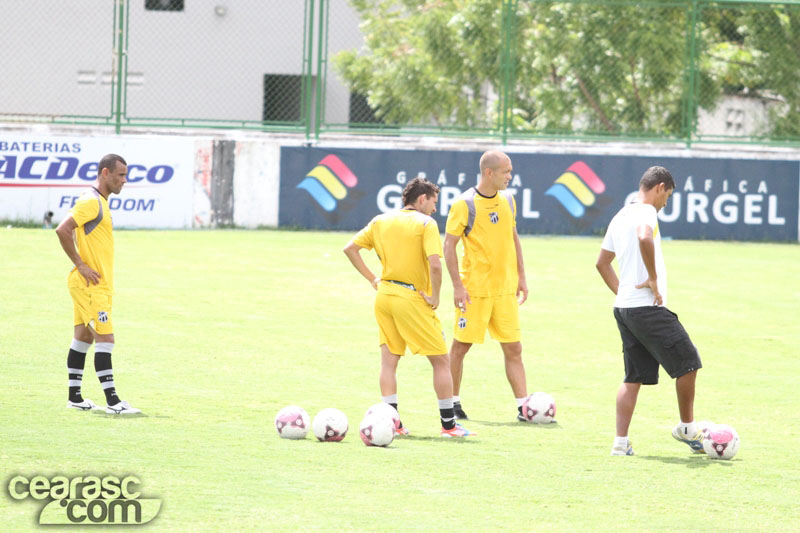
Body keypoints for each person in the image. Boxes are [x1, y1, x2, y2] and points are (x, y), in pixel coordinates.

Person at [343, 177, 474, 437]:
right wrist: (435, 296)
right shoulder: (425, 223)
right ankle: (449, 426)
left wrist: (373, 279)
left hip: (384, 296)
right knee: (441, 361)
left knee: (388, 362)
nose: (435, 209)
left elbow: (350, 249)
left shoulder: (380, 220)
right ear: (422, 199)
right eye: (434, 203)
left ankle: (393, 423)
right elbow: (435, 264)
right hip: (411, 298)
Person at [596, 166, 703, 456]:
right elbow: (644, 237)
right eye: (667, 196)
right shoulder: (646, 212)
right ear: (659, 187)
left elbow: (602, 263)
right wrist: (653, 278)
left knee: (633, 377)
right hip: (646, 309)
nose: (665, 203)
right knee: (689, 363)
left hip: (625, 310)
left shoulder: (620, 215)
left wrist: (623, 292)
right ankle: (687, 428)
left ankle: (620, 444)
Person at [444, 150, 531, 422]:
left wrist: (521, 276)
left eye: (511, 171)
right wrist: (457, 286)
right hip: (475, 291)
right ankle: (452, 404)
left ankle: (524, 408)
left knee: (514, 348)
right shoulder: (465, 204)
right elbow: (448, 246)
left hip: (505, 290)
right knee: (461, 347)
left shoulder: (508, 200)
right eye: (506, 171)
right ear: (489, 173)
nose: (510, 176)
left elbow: (513, 237)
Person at [55, 153, 141, 415]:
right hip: (91, 286)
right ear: (106, 173)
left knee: (83, 337)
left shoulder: (99, 201)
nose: (124, 180)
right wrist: (81, 264)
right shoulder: (91, 201)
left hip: (91, 285)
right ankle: (113, 402)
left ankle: (75, 398)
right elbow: (62, 229)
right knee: (106, 338)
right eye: (121, 175)